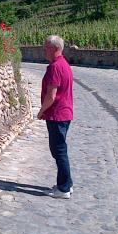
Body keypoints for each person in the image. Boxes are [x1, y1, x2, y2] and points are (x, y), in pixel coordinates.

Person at [37, 35, 74, 199]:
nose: (44, 50)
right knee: (60, 150)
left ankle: (64, 188)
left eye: (46, 47)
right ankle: (67, 184)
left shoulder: (55, 67)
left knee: (58, 151)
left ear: (55, 48)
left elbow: (51, 96)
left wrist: (41, 111)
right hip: (64, 113)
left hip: (57, 114)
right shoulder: (63, 64)